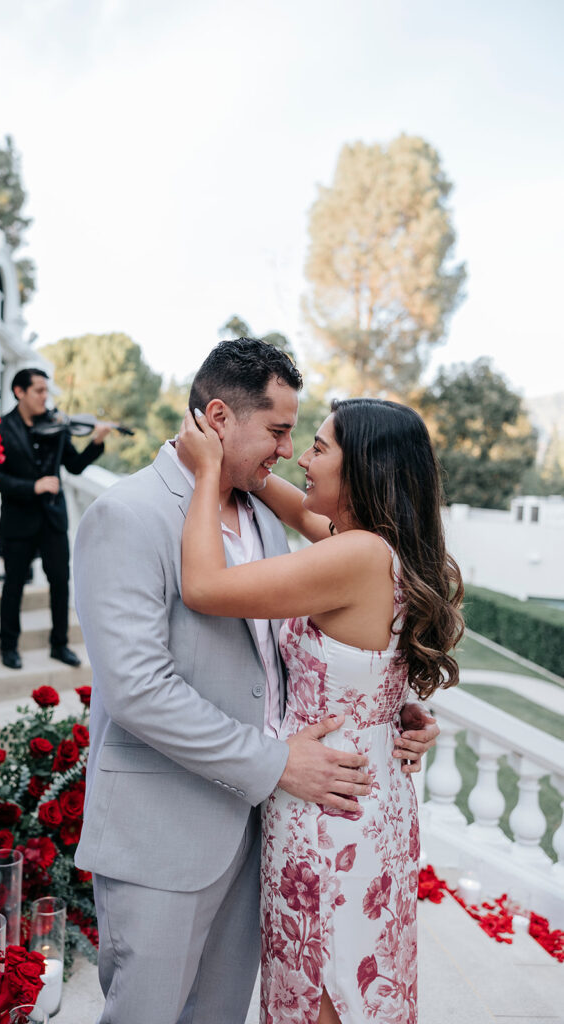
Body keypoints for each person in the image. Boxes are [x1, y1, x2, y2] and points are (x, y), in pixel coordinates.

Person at [73, 339, 439, 1024]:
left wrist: (385, 710)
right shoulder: (127, 515)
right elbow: (138, 690)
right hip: (172, 831)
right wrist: (286, 757)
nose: (291, 452)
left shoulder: (281, 523)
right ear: (217, 416)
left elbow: (291, 642)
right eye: (278, 432)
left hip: (277, 826)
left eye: (309, 442)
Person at [177, 395, 464, 1024]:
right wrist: (244, 465)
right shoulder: (374, 547)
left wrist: (204, 473)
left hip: (330, 818)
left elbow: (202, 587)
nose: (300, 457)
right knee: (346, 978)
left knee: (326, 983)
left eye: (319, 447)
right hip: (362, 799)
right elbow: (290, 501)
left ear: (362, 468)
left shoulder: (354, 556)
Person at [0, 368, 113, 670]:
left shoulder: (56, 425)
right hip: (18, 521)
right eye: (38, 391)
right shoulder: (2, 428)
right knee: (14, 585)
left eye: (46, 391)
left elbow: (73, 467)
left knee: (60, 582)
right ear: (19, 392)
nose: (45, 397)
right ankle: (8, 645)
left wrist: (96, 442)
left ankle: (59, 645)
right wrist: (31, 487)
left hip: (52, 520)